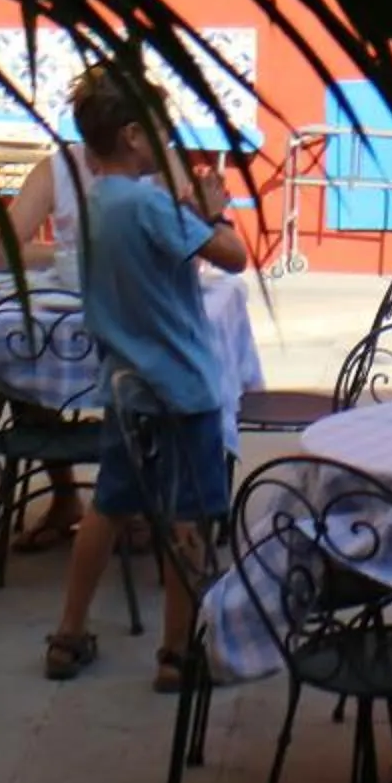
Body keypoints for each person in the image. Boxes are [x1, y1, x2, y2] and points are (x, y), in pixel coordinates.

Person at [44, 71, 249, 687]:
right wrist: (215, 214)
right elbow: (232, 258)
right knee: (188, 519)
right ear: (134, 136)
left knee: (107, 507)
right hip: (181, 389)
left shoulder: (96, 202)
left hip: (125, 387)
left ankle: (69, 634)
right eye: (160, 131)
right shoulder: (151, 205)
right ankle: (176, 654)